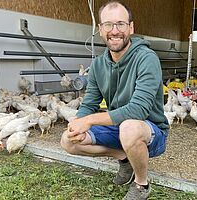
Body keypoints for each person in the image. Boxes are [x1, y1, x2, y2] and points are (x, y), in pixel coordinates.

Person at [60, 1, 169, 199]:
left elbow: (137, 111)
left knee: (130, 128)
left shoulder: (147, 58)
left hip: (151, 130)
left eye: (121, 24)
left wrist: (90, 120)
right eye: (108, 25)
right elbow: (90, 104)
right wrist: (78, 123)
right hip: (120, 127)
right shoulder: (99, 65)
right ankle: (123, 158)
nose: (115, 31)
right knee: (68, 141)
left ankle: (141, 185)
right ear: (100, 29)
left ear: (131, 27)